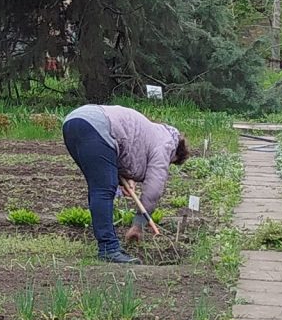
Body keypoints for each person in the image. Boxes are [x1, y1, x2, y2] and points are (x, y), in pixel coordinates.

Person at [60, 102, 189, 265]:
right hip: (98, 126)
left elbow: (125, 150)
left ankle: (107, 245)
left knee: (100, 185)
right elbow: (154, 189)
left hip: (74, 122)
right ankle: (108, 248)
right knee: (103, 189)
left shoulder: (154, 132)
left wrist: (123, 177)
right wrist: (138, 225)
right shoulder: (166, 145)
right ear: (175, 155)